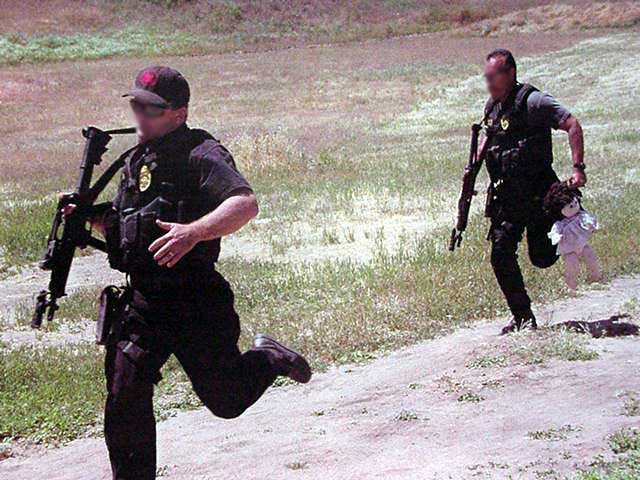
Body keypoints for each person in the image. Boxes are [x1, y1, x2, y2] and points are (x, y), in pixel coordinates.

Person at [63, 66, 312, 479]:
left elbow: (244, 204)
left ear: (179, 113)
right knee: (124, 394)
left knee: (227, 400)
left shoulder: (200, 152)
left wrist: (194, 233)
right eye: (136, 105)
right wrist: (86, 218)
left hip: (195, 301)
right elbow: (128, 224)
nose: (140, 114)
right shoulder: (136, 160)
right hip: (144, 302)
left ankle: (268, 357)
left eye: (151, 108)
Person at [479, 49, 587, 334]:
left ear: (510, 73)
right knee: (500, 254)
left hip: (539, 194)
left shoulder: (534, 101)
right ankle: (523, 318)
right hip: (509, 196)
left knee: (541, 258)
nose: (489, 83)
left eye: (493, 76)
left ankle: (565, 225)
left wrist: (578, 168)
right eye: (486, 77)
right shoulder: (492, 107)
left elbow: (572, 124)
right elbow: (487, 141)